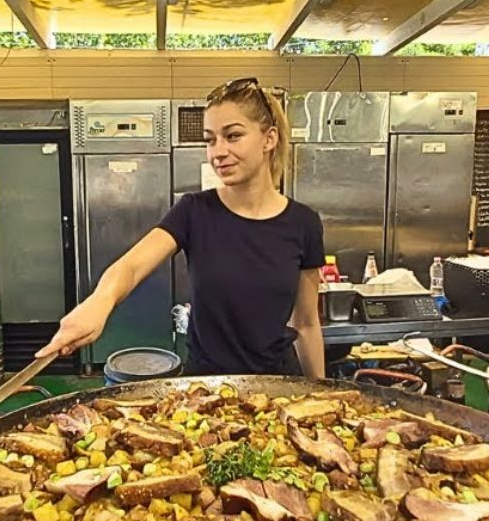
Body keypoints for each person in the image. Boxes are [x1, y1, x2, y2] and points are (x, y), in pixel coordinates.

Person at [39, 77, 326, 377]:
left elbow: (306, 324)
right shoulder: (195, 211)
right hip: (205, 392)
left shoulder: (302, 223)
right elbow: (132, 266)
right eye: (210, 139)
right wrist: (99, 303)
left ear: (269, 139)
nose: (218, 152)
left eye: (233, 136)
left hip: (277, 387)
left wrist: (321, 393)